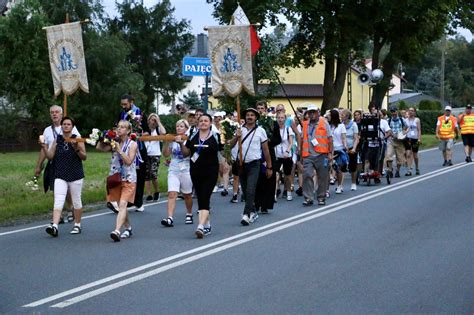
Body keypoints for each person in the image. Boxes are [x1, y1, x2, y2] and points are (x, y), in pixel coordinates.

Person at [34, 105, 81, 223]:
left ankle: (70, 208)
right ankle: (58, 216)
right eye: (52, 112)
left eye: (56, 112)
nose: (54, 114)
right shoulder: (47, 130)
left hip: (67, 162)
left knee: (68, 190)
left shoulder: (68, 127)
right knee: (56, 189)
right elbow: (44, 149)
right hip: (53, 162)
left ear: (61, 114)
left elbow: (78, 141)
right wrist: (39, 165)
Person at [41, 117, 86, 237]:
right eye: (64, 124)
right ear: (61, 126)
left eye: (68, 124)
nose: (66, 126)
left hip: (75, 174)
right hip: (60, 173)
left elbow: (84, 156)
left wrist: (76, 147)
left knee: (76, 200)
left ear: (72, 126)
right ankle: (54, 226)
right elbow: (50, 156)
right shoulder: (58, 139)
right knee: (59, 199)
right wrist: (44, 146)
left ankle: (77, 224)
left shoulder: (77, 139)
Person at [179, 114, 222, 238]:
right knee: (201, 197)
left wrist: (224, 163)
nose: (203, 123)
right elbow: (186, 153)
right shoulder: (192, 136)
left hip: (211, 171)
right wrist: (182, 144)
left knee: (205, 196)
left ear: (210, 123)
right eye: (201, 121)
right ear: (198, 123)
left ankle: (200, 227)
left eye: (206, 121)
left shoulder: (216, 135)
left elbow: (220, 151)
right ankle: (207, 225)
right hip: (195, 171)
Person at [230, 108, 273, 223]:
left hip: (254, 164)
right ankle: (253, 210)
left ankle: (246, 214)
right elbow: (231, 145)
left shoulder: (261, 131)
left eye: (252, 115)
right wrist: (236, 136)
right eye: (248, 115)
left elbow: (266, 150)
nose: (249, 117)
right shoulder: (239, 129)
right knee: (245, 191)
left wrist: (269, 167)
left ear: (256, 118)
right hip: (241, 164)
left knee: (250, 189)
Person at [97, 120, 138, 242]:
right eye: (118, 127)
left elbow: (129, 161)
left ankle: (116, 231)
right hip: (116, 177)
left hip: (129, 178)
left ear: (128, 130)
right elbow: (100, 148)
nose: (119, 129)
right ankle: (128, 228)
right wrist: (100, 138)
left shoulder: (132, 144)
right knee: (121, 206)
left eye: (122, 127)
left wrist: (120, 150)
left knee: (123, 204)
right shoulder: (114, 142)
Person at [117, 94, 149, 212]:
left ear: (131, 102)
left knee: (139, 174)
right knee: (126, 173)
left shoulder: (139, 113)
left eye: (125, 104)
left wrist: (137, 135)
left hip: (138, 147)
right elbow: (117, 128)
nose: (123, 106)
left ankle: (139, 201)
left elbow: (147, 131)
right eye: (122, 104)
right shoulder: (121, 114)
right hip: (125, 147)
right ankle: (128, 199)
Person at [160, 119, 193, 227]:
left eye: (181, 126)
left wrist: (181, 143)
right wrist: (166, 142)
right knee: (172, 193)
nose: (179, 128)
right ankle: (170, 218)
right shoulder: (172, 139)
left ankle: (189, 213)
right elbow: (165, 154)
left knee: (187, 194)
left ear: (186, 129)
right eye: (177, 126)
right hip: (173, 169)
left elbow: (186, 154)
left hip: (186, 169)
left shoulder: (189, 139)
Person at [301, 104, 333, 206]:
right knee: (307, 175)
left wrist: (330, 153)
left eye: (314, 112)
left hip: (322, 154)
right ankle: (308, 197)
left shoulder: (324, 122)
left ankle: (321, 197)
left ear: (318, 112)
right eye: (310, 112)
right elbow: (302, 139)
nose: (312, 114)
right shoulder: (305, 124)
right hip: (308, 155)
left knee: (323, 177)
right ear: (308, 114)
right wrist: (301, 154)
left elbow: (330, 139)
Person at [254, 100, 282, 214]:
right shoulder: (254, 123)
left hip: (269, 152)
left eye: (262, 108)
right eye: (258, 108)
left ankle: (265, 204)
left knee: (269, 178)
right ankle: (256, 203)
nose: (260, 110)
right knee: (257, 179)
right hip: (256, 152)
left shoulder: (272, 122)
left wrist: (269, 141)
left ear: (266, 109)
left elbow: (278, 139)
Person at [144, 113, 166, 202]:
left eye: (155, 120)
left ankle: (157, 191)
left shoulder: (157, 130)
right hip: (146, 154)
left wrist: (158, 122)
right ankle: (149, 194)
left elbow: (164, 132)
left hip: (155, 154)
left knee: (153, 174)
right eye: (152, 119)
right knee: (147, 175)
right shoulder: (145, 129)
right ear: (148, 120)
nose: (153, 121)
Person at [274, 111, 295, 201]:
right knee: (276, 175)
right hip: (277, 155)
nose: (280, 120)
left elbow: (291, 142)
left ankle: (288, 191)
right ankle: (274, 193)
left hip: (286, 155)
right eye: (278, 118)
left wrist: (287, 151)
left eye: (282, 118)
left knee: (287, 175)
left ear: (285, 119)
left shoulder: (288, 129)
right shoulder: (274, 129)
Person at [385, 106, 407, 178]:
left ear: (397, 111)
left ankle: (397, 170)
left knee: (399, 157)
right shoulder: (388, 120)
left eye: (394, 111)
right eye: (392, 111)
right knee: (388, 155)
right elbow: (387, 130)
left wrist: (403, 133)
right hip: (391, 140)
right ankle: (390, 170)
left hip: (399, 141)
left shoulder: (402, 119)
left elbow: (406, 127)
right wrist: (391, 134)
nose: (393, 113)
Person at [329, 109, 347, 194]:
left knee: (339, 168)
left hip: (339, 149)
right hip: (330, 149)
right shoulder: (328, 126)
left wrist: (345, 146)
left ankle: (339, 185)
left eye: (329, 115)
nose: (328, 117)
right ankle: (326, 188)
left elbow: (343, 138)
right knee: (329, 168)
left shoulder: (341, 126)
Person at [342, 109, 360, 191]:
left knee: (353, 166)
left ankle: (353, 183)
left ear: (347, 116)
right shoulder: (341, 125)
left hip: (352, 146)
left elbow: (356, 138)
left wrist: (354, 148)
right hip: (343, 147)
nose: (341, 116)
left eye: (343, 115)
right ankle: (340, 185)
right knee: (341, 166)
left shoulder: (354, 125)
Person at [404, 107, 422, 175]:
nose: (410, 112)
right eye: (409, 110)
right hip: (408, 138)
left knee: (415, 155)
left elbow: (419, 130)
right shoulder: (405, 120)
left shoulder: (417, 120)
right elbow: (404, 129)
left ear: (414, 112)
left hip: (415, 139)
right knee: (408, 154)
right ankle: (409, 170)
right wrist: (404, 133)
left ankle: (417, 168)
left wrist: (419, 138)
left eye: (412, 111)